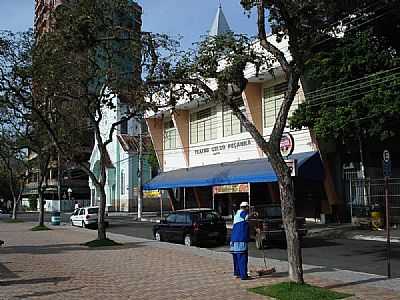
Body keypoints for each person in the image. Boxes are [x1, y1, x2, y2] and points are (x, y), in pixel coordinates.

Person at [230, 201, 250, 280]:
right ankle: (243, 276)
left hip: (233, 240)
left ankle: (237, 273)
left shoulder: (236, 215)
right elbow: (248, 218)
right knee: (242, 258)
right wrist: (254, 214)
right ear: (246, 207)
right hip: (240, 240)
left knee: (236, 258)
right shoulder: (243, 213)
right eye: (247, 207)